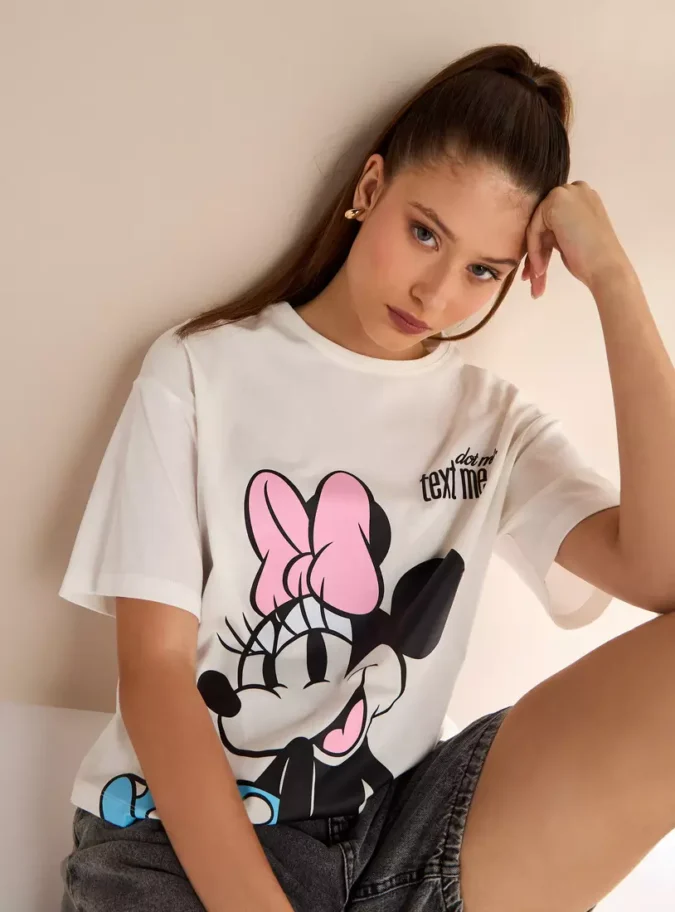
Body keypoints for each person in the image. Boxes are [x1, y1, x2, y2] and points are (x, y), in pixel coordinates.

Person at [58, 41, 675, 912]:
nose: (436, 295)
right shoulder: (201, 372)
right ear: (369, 187)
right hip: (177, 849)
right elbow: (154, 673)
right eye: (424, 233)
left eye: (483, 271)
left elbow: (661, 574)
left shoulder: (490, 424)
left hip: (394, 836)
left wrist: (611, 277)